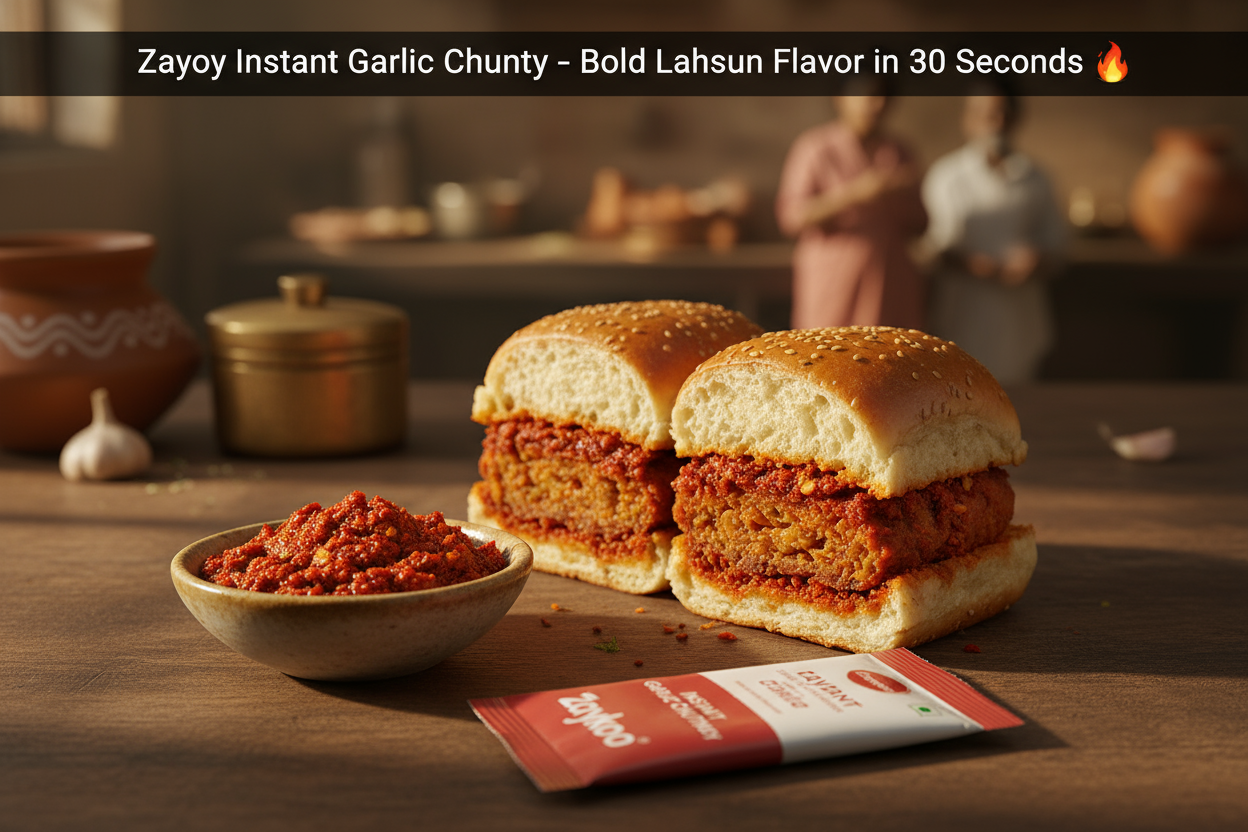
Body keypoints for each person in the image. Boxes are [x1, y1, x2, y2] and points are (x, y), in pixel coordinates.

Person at [922, 90, 1066, 383]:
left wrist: (1036, 260)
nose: (996, 123)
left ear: (1016, 118)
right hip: (962, 315)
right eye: (986, 114)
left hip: (1018, 319)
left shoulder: (1036, 178)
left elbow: (1059, 243)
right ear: (968, 120)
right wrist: (970, 264)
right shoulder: (947, 176)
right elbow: (930, 248)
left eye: (1003, 113)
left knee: (1020, 398)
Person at [775, 86, 927, 330]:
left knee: (888, 360)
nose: (875, 105)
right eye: (866, 96)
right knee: (825, 358)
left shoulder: (899, 152)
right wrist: (857, 193)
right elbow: (792, 217)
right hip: (833, 284)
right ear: (840, 98)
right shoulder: (815, 148)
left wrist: (898, 196)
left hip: (889, 285)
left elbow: (921, 223)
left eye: (883, 97)